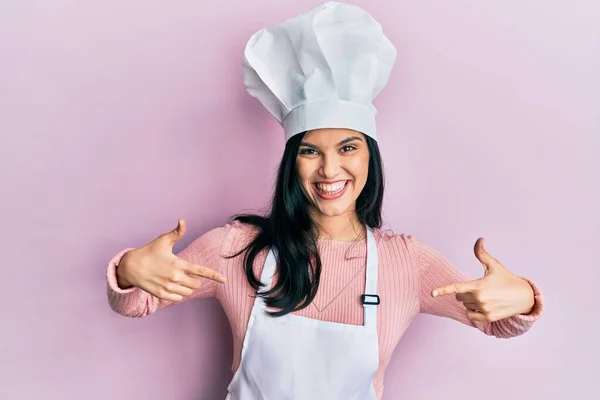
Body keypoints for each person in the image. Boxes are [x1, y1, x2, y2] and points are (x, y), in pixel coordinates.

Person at [106, 2, 544, 399]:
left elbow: (496, 321)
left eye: (348, 148)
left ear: (370, 156)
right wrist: (130, 270)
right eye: (310, 151)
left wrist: (522, 296)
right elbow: (136, 303)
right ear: (291, 162)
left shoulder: (406, 264)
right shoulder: (234, 249)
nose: (330, 170)